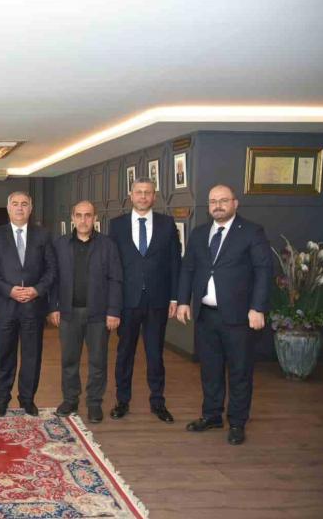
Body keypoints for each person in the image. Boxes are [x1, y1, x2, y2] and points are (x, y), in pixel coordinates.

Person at [177, 184, 271, 445]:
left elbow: (263, 271)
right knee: (210, 370)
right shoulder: (199, 233)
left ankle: (237, 423)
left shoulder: (251, 232)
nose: (217, 205)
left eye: (223, 200)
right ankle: (212, 415)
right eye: (213, 201)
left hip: (240, 317)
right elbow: (188, 269)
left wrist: (258, 308)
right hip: (206, 315)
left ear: (235, 203)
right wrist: (183, 301)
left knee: (240, 372)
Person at [108, 178, 181, 423]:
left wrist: (175, 298)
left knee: (155, 354)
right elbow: (112, 266)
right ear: (131, 195)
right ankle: (122, 401)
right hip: (127, 302)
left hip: (157, 301)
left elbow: (175, 262)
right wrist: (112, 301)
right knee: (124, 353)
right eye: (138, 192)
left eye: (147, 192)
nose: (142, 196)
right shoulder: (116, 225)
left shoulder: (167, 224)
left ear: (154, 196)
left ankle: (158, 402)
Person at [49, 200, 122, 423]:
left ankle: (94, 403)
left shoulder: (107, 245)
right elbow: (53, 279)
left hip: (98, 314)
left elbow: (116, 279)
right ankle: (70, 399)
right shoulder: (60, 244)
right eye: (79, 215)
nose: (83, 220)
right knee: (69, 360)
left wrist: (113, 310)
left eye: (88, 215)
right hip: (68, 313)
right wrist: (53, 307)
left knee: (98, 361)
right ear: (72, 218)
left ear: (95, 219)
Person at [0, 191, 56, 416]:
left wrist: (37, 290)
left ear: (30, 208)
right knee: (3, 354)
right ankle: (2, 399)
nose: (19, 208)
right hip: (6, 304)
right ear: (8, 208)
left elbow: (51, 269)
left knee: (32, 355)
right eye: (15, 204)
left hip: (33, 306)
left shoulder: (43, 235)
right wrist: (9, 290)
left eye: (24, 204)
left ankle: (27, 399)